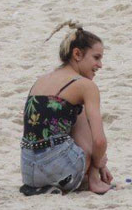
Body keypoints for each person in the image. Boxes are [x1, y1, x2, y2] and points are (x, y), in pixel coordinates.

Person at [20, 21, 113, 195]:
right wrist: (98, 164)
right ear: (77, 54)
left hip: (28, 172)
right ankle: (93, 179)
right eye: (96, 58)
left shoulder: (41, 80)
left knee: (71, 110)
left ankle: (54, 183)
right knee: (81, 113)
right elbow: (99, 141)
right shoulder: (84, 85)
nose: (100, 65)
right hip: (58, 169)